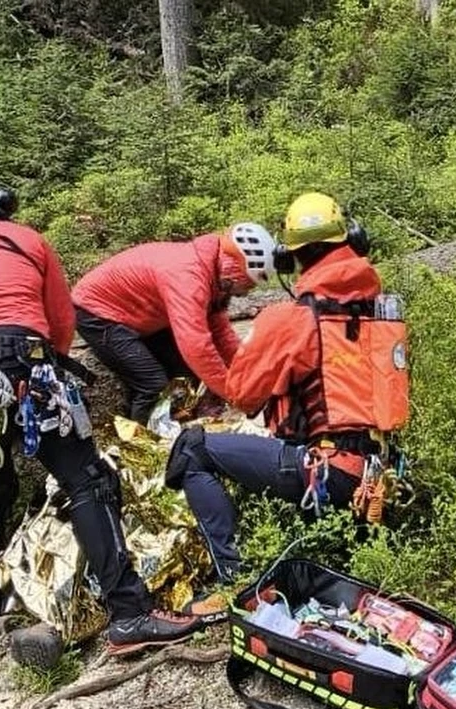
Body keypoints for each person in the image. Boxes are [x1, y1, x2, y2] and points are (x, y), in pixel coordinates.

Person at [0, 183, 212, 655]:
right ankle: (129, 614)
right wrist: (42, 365)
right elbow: (60, 320)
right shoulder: (27, 239)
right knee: (88, 481)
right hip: (28, 362)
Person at [166, 192, 410, 581]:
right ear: (352, 240)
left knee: (192, 449)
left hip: (325, 473)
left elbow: (243, 394)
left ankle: (234, 579)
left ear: (288, 257)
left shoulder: (291, 318)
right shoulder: (378, 311)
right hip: (376, 475)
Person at [71, 224, 277, 424]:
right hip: (98, 313)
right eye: (244, 285)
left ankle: (187, 421)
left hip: (142, 312)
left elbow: (221, 333)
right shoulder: (188, 278)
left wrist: (255, 376)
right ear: (233, 268)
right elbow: (197, 347)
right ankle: (143, 440)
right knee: (153, 384)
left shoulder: (213, 270)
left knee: (185, 370)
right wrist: (235, 395)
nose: (244, 293)